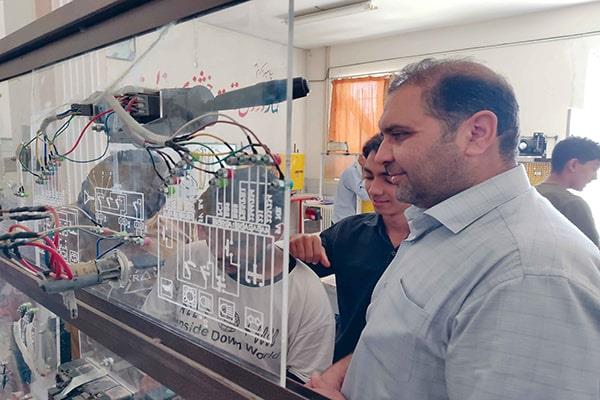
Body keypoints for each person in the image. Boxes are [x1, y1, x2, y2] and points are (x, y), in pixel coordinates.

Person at [308, 58, 600, 400]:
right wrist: (350, 370)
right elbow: (413, 344)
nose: (383, 155)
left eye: (399, 135)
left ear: (477, 134)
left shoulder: (531, 274)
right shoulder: (439, 226)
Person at [143, 165, 335, 383]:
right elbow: (154, 326)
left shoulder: (306, 296)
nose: (222, 253)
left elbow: (302, 386)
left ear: (276, 231)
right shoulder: (188, 258)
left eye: (239, 243)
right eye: (213, 235)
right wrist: (155, 367)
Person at [289, 133, 410, 361]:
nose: (374, 190)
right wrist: (297, 247)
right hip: (343, 368)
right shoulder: (349, 233)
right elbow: (291, 269)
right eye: (368, 177)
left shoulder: (435, 245)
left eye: (388, 178)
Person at [536, 136, 600, 247]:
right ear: (573, 165)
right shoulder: (572, 204)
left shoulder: (529, 194)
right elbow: (594, 253)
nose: (595, 177)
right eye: (594, 168)